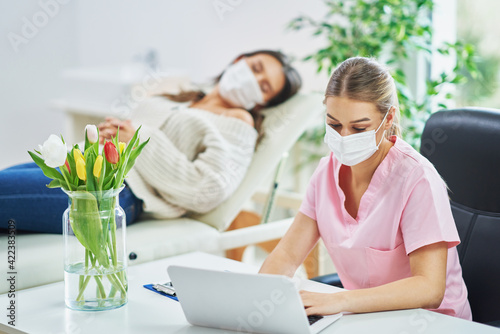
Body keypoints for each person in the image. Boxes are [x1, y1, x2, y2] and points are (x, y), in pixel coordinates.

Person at [259, 57, 472, 320]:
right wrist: (258, 303)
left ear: (388, 117)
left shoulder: (418, 179)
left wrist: (339, 300)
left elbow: (429, 288)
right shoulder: (325, 173)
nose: (344, 138)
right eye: (334, 124)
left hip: (431, 323)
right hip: (366, 318)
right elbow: (287, 255)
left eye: (359, 127)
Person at [0, 49, 302, 234]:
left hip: (119, 193)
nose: (251, 78)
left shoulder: (239, 122)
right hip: (86, 168)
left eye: (263, 87)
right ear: (240, 59)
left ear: (262, 104)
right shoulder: (182, 98)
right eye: (256, 67)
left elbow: (208, 189)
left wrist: (138, 141)